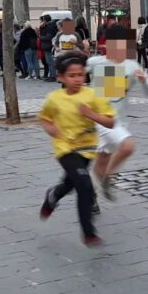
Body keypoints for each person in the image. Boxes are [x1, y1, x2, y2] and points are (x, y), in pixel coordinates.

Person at [38, 51, 116, 247]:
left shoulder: (92, 95)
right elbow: (44, 118)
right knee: (84, 185)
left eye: (80, 74)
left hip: (87, 149)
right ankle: (88, 233)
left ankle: (53, 195)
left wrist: (91, 114)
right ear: (61, 77)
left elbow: (110, 122)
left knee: (69, 183)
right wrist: (51, 129)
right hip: (65, 148)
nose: (77, 79)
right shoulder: (54, 98)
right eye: (71, 75)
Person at [85, 26, 146, 202]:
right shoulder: (96, 62)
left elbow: (120, 92)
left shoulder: (129, 66)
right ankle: (106, 178)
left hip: (114, 119)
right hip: (101, 120)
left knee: (102, 161)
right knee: (127, 146)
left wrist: (139, 81)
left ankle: (91, 196)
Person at [39, 14, 58, 81]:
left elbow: (49, 37)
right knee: (48, 62)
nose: (42, 22)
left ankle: (53, 76)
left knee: (50, 62)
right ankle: (51, 75)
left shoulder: (50, 27)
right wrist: (41, 27)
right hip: (46, 46)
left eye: (43, 20)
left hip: (48, 46)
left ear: (45, 20)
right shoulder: (47, 26)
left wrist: (40, 38)